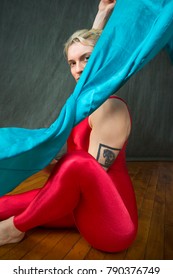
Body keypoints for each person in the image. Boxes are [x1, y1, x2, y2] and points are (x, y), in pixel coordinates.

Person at [0, 0, 138, 252]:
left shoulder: (112, 108)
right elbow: (71, 183)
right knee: (2, 204)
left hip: (113, 223)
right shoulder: (82, 105)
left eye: (86, 59)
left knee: (77, 162)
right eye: (72, 63)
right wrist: (102, 13)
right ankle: (15, 219)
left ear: (100, 59)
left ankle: (14, 229)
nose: (78, 69)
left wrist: (44, 156)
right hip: (76, 205)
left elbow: (88, 175)